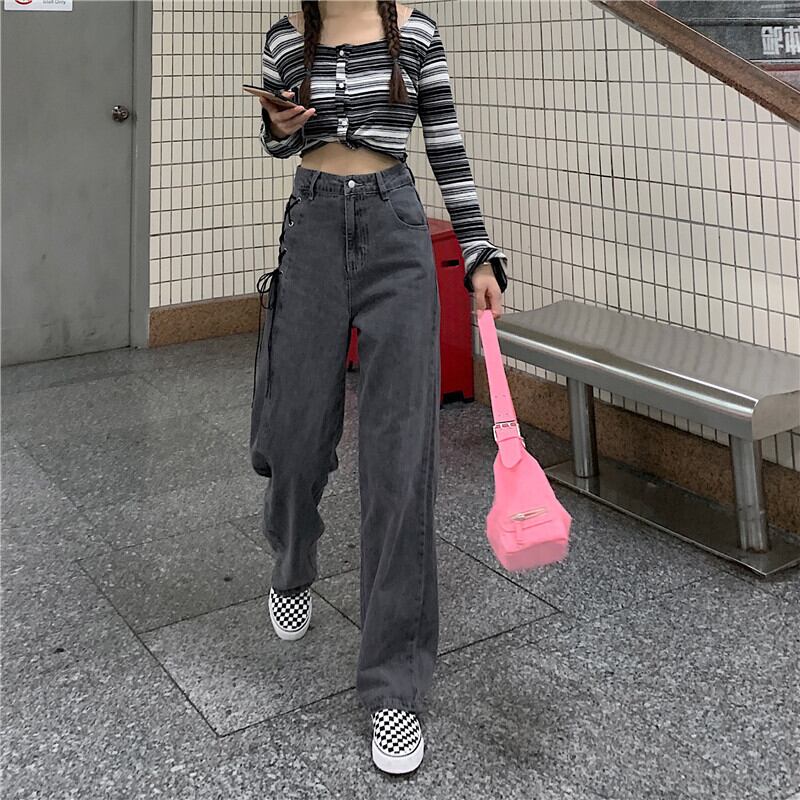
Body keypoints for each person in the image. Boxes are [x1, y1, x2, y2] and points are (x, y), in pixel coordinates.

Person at [249, 0, 508, 775]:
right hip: (314, 228)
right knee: (294, 438)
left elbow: (446, 143)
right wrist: (281, 126)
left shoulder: (417, 34)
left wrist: (478, 251)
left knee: (400, 463)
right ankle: (293, 555)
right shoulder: (286, 39)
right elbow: (275, 141)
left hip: (396, 231)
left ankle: (395, 685)